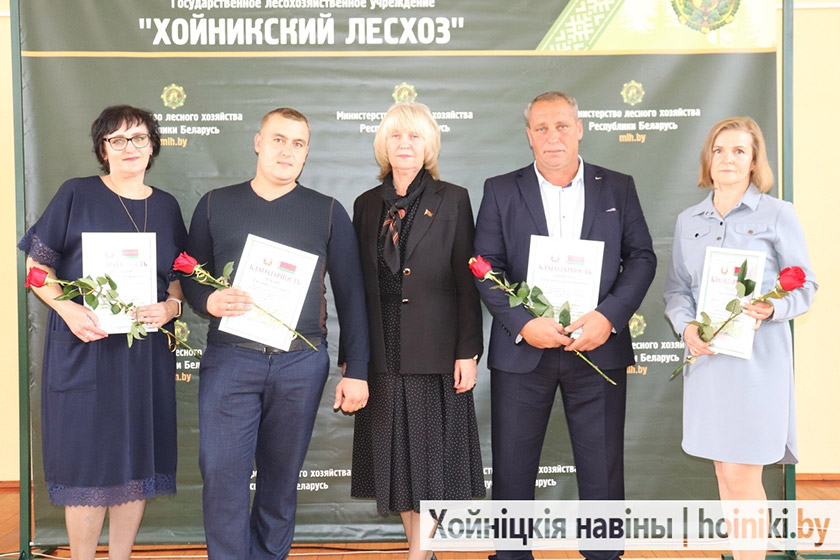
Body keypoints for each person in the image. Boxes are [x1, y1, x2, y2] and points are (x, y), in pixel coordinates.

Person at [473, 91, 656, 560]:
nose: (552, 136)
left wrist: (608, 318)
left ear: (579, 129)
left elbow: (641, 257)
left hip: (597, 347)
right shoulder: (500, 189)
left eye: (561, 126)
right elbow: (485, 266)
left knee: (602, 468)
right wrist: (523, 323)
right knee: (512, 468)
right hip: (523, 350)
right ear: (529, 135)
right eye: (541, 128)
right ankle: (511, 555)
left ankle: (603, 554)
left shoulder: (618, 187)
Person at [181, 107, 370, 560]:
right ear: (258, 142)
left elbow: (352, 296)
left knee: (281, 481)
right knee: (222, 475)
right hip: (231, 358)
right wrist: (208, 300)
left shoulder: (327, 211)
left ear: (306, 153)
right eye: (279, 139)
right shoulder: (215, 204)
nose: (287, 151)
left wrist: (357, 369)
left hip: (300, 363)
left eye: (298, 143)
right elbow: (190, 274)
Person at [18, 105, 186, 560]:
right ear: (102, 149)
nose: (130, 147)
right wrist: (67, 309)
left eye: (140, 138)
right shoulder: (76, 193)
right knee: (88, 470)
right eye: (118, 139)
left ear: (153, 146)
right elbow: (36, 268)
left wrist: (171, 307)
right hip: (84, 347)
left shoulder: (166, 206)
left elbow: (176, 279)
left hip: (143, 355)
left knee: (135, 464)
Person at [664, 117, 817, 560]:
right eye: (719, 150)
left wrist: (773, 309)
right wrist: (686, 327)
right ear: (708, 159)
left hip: (757, 368)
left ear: (754, 162)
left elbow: (806, 285)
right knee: (725, 476)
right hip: (709, 364)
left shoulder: (778, 214)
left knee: (742, 476)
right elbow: (677, 291)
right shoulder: (689, 220)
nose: (727, 159)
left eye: (739, 151)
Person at [350, 103, 485, 560]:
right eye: (395, 136)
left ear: (429, 145)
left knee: (429, 464)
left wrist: (468, 351)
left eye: (414, 136)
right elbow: (355, 290)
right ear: (383, 145)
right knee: (401, 467)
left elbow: (467, 282)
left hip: (436, 350)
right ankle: (421, 551)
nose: (404, 145)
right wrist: (355, 359)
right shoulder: (366, 205)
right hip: (382, 351)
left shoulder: (453, 199)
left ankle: (417, 555)